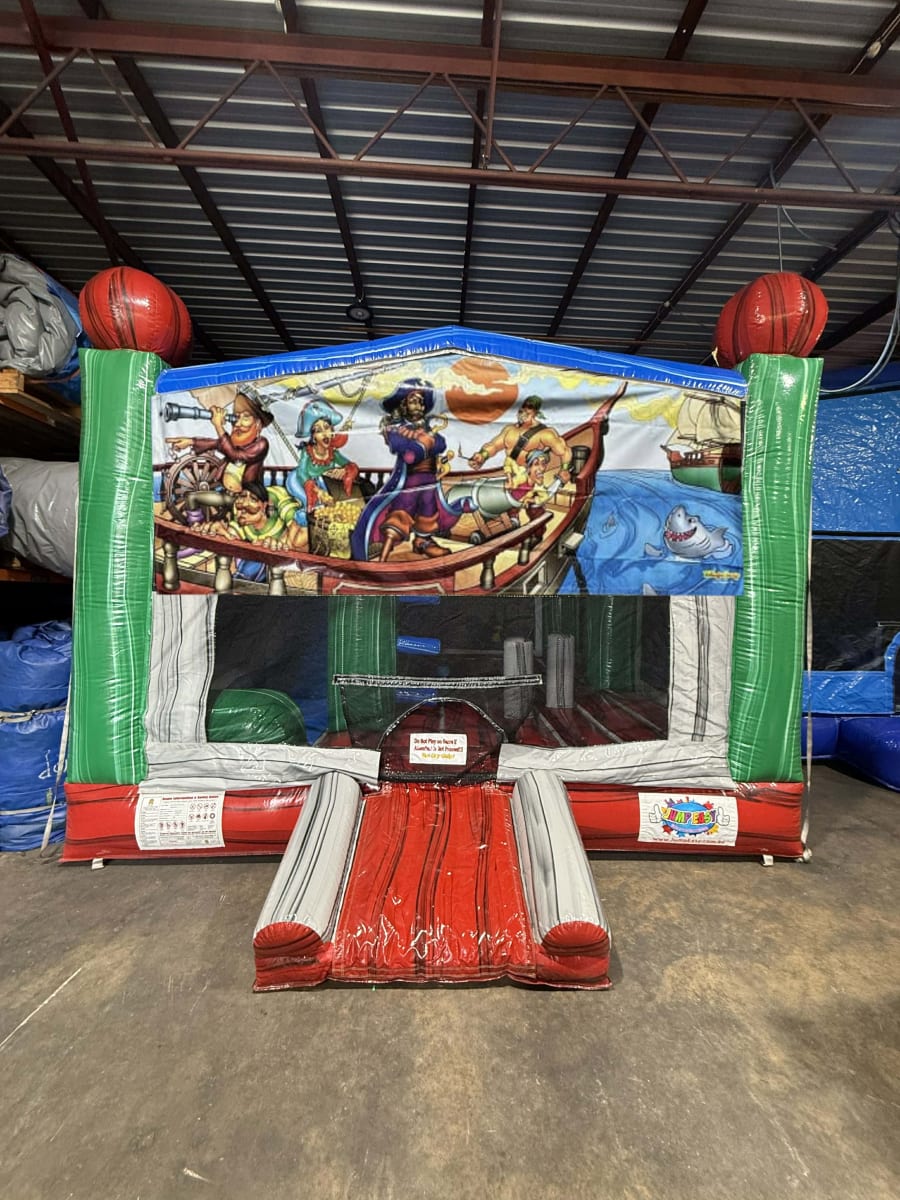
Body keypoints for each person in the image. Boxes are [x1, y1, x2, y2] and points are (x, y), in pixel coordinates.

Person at [350, 378, 457, 562]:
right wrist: (424, 445)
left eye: (421, 402)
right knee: (401, 511)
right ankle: (383, 558)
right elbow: (408, 455)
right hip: (408, 481)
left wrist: (426, 443)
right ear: (403, 405)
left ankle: (423, 541)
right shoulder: (395, 429)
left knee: (428, 510)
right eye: (414, 401)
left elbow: (440, 444)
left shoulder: (427, 429)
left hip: (429, 480)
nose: (419, 406)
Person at [167, 388, 272, 503]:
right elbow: (217, 444)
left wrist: (218, 426)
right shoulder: (235, 443)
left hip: (245, 498)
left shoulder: (261, 444)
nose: (237, 423)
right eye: (237, 417)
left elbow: (236, 456)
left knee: (193, 498)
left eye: (246, 417)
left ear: (258, 423)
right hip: (226, 495)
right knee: (192, 498)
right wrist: (190, 441)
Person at [285, 398, 360, 544]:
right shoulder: (307, 452)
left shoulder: (333, 452)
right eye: (319, 430)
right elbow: (302, 473)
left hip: (320, 485)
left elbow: (350, 465)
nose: (325, 433)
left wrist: (345, 471)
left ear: (332, 430)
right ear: (313, 436)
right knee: (312, 508)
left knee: (329, 508)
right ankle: (290, 541)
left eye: (327, 427)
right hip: (300, 482)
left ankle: (297, 542)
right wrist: (317, 491)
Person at [467, 394, 573, 485]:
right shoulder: (509, 430)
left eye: (529, 409)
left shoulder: (545, 434)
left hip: (531, 478)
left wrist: (564, 469)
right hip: (510, 473)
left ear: (535, 413)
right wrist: (482, 456)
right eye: (523, 408)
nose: (525, 411)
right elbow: (494, 446)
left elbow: (564, 451)